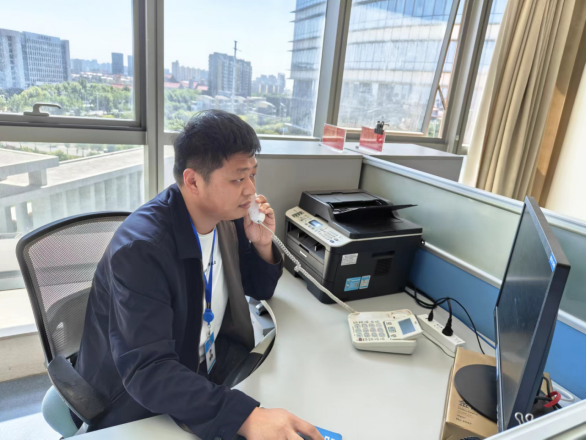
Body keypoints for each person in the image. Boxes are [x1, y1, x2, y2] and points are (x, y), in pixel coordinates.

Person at [75, 110, 323, 440]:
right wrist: (246, 416)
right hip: (140, 402)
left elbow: (259, 289)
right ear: (192, 181)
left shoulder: (227, 219)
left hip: (203, 370)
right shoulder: (142, 250)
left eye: (253, 175)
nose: (251, 190)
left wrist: (262, 244)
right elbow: (148, 372)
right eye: (238, 179)